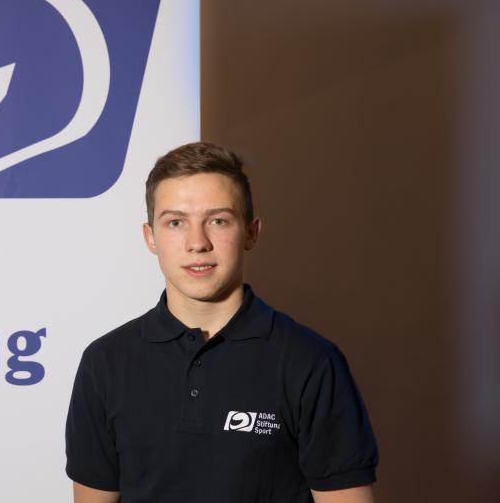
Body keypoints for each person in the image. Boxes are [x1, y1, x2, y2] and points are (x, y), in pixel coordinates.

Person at [65, 142, 378, 503]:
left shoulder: (311, 362)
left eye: (218, 221)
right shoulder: (105, 362)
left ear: (251, 232)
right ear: (151, 237)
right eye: (176, 222)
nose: (197, 243)